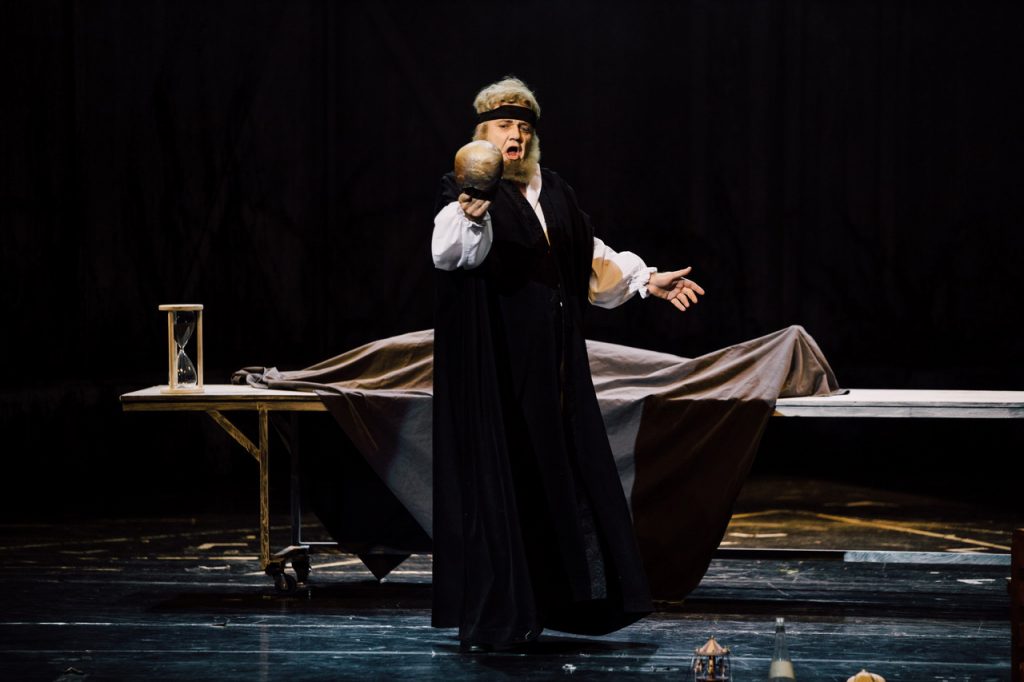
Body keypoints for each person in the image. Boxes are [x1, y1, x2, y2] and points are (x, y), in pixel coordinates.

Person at [430, 77, 705, 650]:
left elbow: (589, 258)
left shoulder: (553, 190)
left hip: (555, 367)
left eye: (523, 128)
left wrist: (646, 280)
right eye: (503, 126)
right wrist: (473, 214)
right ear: (481, 136)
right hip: (501, 368)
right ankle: (503, 612)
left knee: (561, 474)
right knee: (508, 476)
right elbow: (452, 255)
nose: (515, 136)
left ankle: (565, 600)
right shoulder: (468, 195)